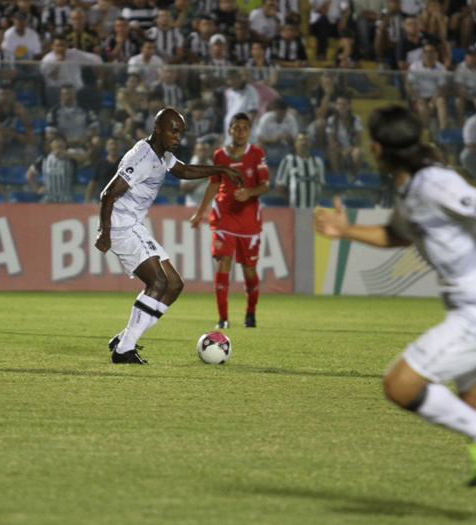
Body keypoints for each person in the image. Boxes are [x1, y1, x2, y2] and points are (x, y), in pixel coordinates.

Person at [314, 104, 476, 525]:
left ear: (377, 147)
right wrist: (346, 231)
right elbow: (399, 235)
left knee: (400, 384)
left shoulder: (436, 183)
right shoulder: (411, 187)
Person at [96, 107, 243, 364]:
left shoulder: (161, 155)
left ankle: (124, 338)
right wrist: (105, 233)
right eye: (174, 131)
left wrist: (221, 169)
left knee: (174, 285)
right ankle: (124, 350)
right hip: (121, 226)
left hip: (133, 224)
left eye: (181, 132)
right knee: (158, 283)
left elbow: (183, 171)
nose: (178, 137)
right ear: (158, 129)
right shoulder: (142, 158)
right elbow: (108, 194)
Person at [190, 112, 270, 329]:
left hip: (249, 221)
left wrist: (249, 192)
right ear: (230, 130)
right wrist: (200, 213)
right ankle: (223, 318)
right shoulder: (220, 156)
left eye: (245, 128)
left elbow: (265, 185)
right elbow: (213, 185)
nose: (240, 132)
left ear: (250, 131)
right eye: (236, 127)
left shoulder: (257, 154)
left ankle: (250, 313)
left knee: (248, 270)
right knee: (223, 261)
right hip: (224, 217)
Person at [275, 132, 325, 208]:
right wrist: (290, 199)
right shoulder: (288, 160)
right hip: (295, 208)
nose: (304, 142)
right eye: (301, 140)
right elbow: (279, 185)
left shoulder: (318, 162)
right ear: (295, 143)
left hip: (314, 209)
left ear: (310, 144)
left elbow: (321, 184)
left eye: (307, 140)